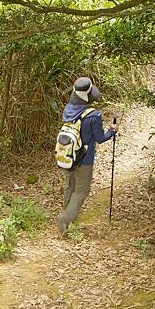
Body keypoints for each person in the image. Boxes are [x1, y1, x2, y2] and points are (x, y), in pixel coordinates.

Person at [56, 77, 118, 236]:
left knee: (70, 186)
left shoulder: (68, 109)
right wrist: (112, 130)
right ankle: (65, 218)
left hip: (67, 155)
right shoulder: (94, 115)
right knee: (82, 190)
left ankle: (68, 216)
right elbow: (100, 138)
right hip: (85, 158)